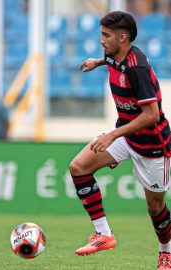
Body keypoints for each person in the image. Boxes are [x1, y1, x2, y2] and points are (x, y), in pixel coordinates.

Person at [69, 11, 171, 269]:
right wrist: (97, 62)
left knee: (155, 207)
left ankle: (166, 251)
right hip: (126, 134)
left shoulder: (137, 68)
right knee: (78, 167)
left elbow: (151, 115)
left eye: (106, 35)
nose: (101, 40)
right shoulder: (116, 55)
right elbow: (112, 60)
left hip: (153, 146)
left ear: (122, 37)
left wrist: (112, 135)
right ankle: (103, 234)